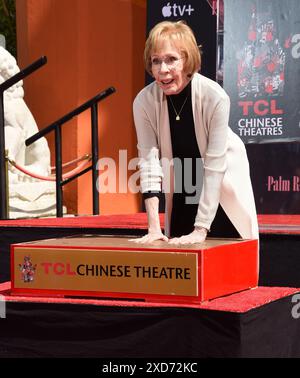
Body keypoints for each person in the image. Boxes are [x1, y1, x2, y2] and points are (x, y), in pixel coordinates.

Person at [132, 20, 259, 245]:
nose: (163, 70)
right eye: (156, 61)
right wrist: (153, 227)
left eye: (171, 59)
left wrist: (200, 229)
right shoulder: (144, 101)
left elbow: (214, 166)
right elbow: (149, 163)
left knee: (223, 248)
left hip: (221, 180)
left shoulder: (215, 97)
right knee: (178, 246)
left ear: (188, 60)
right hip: (183, 179)